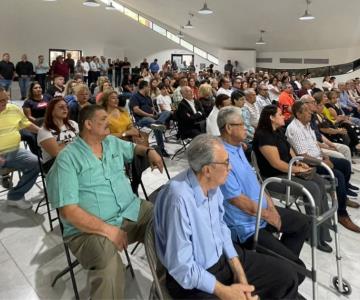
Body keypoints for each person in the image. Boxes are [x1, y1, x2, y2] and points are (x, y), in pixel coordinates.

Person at [155, 134, 300, 300]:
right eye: (226, 162)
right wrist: (226, 292)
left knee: (287, 277)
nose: (230, 168)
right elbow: (182, 266)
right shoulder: (178, 198)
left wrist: (239, 271)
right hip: (193, 279)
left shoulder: (213, 185)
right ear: (207, 169)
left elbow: (221, 228)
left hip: (222, 260)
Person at [47, 104, 163, 299]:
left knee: (166, 223)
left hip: (130, 211)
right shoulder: (67, 159)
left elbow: (134, 148)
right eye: (103, 119)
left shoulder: (111, 142)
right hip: (88, 231)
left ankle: (169, 288)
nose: (108, 121)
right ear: (88, 125)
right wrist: (108, 230)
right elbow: (68, 212)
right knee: (108, 264)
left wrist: (149, 151)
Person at [218, 106, 310, 285]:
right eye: (242, 124)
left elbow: (257, 182)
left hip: (263, 213)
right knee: (298, 270)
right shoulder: (221, 155)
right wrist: (268, 215)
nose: (247, 128)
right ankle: (284, 278)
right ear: (229, 128)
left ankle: (280, 272)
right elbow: (237, 200)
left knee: (303, 223)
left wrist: (273, 208)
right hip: (247, 226)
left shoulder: (238, 148)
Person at [252, 105, 333, 252]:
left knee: (319, 181)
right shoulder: (263, 136)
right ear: (271, 118)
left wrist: (298, 161)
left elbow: (289, 150)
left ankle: (324, 229)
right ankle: (314, 235)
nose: (284, 116)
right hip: (273, 177)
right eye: (280, 114)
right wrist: (297, 169)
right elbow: (276, 163)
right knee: (312, 188)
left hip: (288, 170)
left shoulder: (279, 131)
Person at [286, 101, 360, 233]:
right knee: (338, 176)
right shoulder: (294, 129)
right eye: (307, 111)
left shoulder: (307, 125)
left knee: (345, 164)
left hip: (319, 157)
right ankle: (342, 214)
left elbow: (314, 144)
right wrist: (323, 163)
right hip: (309, 164)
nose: (310, 113)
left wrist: (324, 156)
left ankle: (342, 196)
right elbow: (303, 155)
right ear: (298, 114)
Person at [0, 87, 39, 209]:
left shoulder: (13, 109)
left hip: (15, 151)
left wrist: (42, 131)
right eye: (0, 101)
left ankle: (15, 196)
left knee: (36, 163)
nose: (4, 104)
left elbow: (26, 124)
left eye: (6, 100)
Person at [129, 80, 171, 156]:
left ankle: (158, 123)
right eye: (148, 87)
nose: (149, 88)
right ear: (144, 87)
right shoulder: (135, 97)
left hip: (152, 117)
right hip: (141, 119)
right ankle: (161, 149)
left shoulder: (148, 97)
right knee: (156, 127)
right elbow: (136, 110)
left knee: (167, 112)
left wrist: (156, 113)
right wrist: (149, 115)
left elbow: (152, 108)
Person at [37, 97, 79, 172]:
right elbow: (57, 153)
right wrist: (75, 143)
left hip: (76, 161)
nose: (65, 109)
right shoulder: (44, 131)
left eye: (66, 107)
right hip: (56, 167)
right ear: (51, 111)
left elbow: (84, 142)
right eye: (61, 107)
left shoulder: (73, 124)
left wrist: (64, 144)